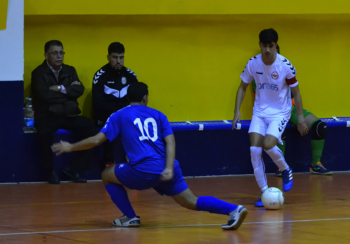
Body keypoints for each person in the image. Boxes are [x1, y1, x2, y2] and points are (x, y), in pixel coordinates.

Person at [52, 82, 248, 230]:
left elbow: (96, 140)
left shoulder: (119, 115)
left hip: (144, 170)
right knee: (191, 201)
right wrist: (169, 168)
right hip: (167, 168)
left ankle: (130, 216)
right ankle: (233, 210)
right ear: (145, 98)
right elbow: (171, 141)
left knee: (106, 174)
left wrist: (70, 147)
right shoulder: (158, 114)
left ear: (127, 98)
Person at [232, 28, 308, 207]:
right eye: (264, 45)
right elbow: (242, 87)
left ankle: (285, 169)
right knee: (254, 151)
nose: (267, 49)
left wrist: (301, 119)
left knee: (267, 145)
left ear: (276, 46)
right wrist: (236, 111)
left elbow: (296, 93)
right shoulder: (253, 63)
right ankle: (264, 192)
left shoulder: (285, 65)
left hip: (280, 112)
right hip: (259, 112)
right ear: (259, 45)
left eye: (271, 46)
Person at [31, 40, 98, 184]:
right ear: (46, 55)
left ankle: (73, 169)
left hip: (69, 114)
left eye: (61, 53)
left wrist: (60, 88)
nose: (59, 56)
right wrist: (68, 92)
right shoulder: (38, 73)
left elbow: (79, 90)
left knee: (92, 130)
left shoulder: (70, 70)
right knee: (43, 133)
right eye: (55, 53)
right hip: (48, 115)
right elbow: (44, 95)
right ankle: (50, 172)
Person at [271, 46, 331, 176]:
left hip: (290, 108)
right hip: (271, 111)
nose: (270, 53)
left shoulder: (286, 69)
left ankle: (315, 165)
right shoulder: (258, 72)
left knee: (321, 127)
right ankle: (281, 167)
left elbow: (295, 94)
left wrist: (300, 119)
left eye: (274, 51)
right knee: (279, 130)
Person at [92, 42, 138, 167]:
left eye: (121, 58)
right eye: (115, 57)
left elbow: (136, 102)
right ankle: (109, 162)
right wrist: (117, 115)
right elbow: (98, 104)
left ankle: (134, 159)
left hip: (125, 116)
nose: (118, 61)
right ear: (108, 57)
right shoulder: (100, 76)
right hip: (106, 117)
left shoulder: (131, 76)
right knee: (110, 123)